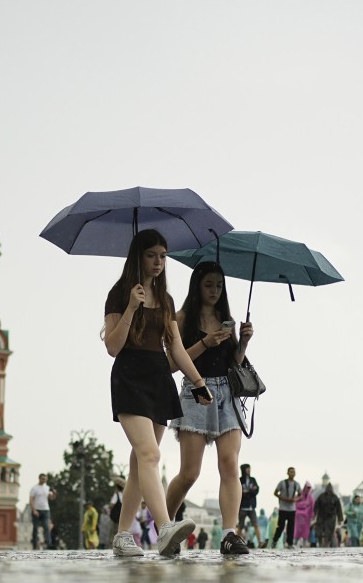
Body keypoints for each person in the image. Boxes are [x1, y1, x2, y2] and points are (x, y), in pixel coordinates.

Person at [103, 229, 212, 558]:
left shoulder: (166, 302)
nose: (159, 262)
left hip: (158, 379)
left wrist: (198, 382)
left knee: (139, 463)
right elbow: (112, 346)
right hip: (129, 376)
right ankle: (164, 527)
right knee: (150, 455)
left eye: (163, 256)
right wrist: (131, 310)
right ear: (138, 257)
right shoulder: (120, 294)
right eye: (152, 255)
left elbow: (176, 347)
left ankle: (123, 536)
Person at [165, 261, 255, 556]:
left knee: (229, 465)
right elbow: (171, 363)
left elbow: (235, 364)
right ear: (197, 286)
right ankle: (165, 525)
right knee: (190, 472)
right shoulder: (181, 318)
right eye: (209, 285)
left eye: (219, 285)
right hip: (195, 391)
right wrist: (205, 342)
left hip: (226, 394)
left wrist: (242, 343)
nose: (215, 290)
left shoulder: (226, 319)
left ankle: (230, 534)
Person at [267, 467, 300, 548]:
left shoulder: (297, 484)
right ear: (287, 473)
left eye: (293, 472)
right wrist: (283, 498)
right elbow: (275, 492)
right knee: (281, 526)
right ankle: (275, 541)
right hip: (283, 508)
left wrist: (295, 499)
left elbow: (300, 494)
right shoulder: (282, 483)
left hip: (292, 508)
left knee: (291, 527)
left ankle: (290, 543)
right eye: (290, 472)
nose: (292, 473)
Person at [236, 464, 264, 547]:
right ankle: (237, 543)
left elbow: (256, 490)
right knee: (240, 526)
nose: (249, 470)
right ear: (244, 470)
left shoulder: (253, 479)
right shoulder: (240, 480)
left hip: (251, 506)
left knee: (255, 524)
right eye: (247, 469)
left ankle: (260, 542)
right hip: (242, 507)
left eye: (249, 469)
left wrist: (247, 491)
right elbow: (239, 491)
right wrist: (250, 491)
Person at [29, 473, 57, 549]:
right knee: (35, 528)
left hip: (46, 510)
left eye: (45, 479)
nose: (44, 480)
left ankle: (49, 543)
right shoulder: (34, 488)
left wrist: (54, 493)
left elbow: (52, 498)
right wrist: (33, 510)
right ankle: (34, 544)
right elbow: (31, 500)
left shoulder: (47, 488)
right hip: (37, 510)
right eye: (42, 479)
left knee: (47, 527)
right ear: (39, 479)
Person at [314, 483, 343, 548]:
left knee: (329, 532)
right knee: (319, 531)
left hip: (331, 518)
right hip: (321, 516)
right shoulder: (321, 496)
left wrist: (340, 520)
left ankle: (326, 544)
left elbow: (339, 509)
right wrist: (314, 514)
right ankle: (320, 543)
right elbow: (316, 506)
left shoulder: (335, 498)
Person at [294, 482, 315, 547]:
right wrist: (303, 505)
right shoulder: (300, 495)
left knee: (305, 531)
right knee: (297, 530)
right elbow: (294, 503)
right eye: (307, 488)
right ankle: (295, 542)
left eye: (309, 488)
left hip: (306, 517)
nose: (308, 489)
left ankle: (304, 544)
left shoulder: (310, 497)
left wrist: (312, 515)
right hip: (298, 516)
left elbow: (312, 506)